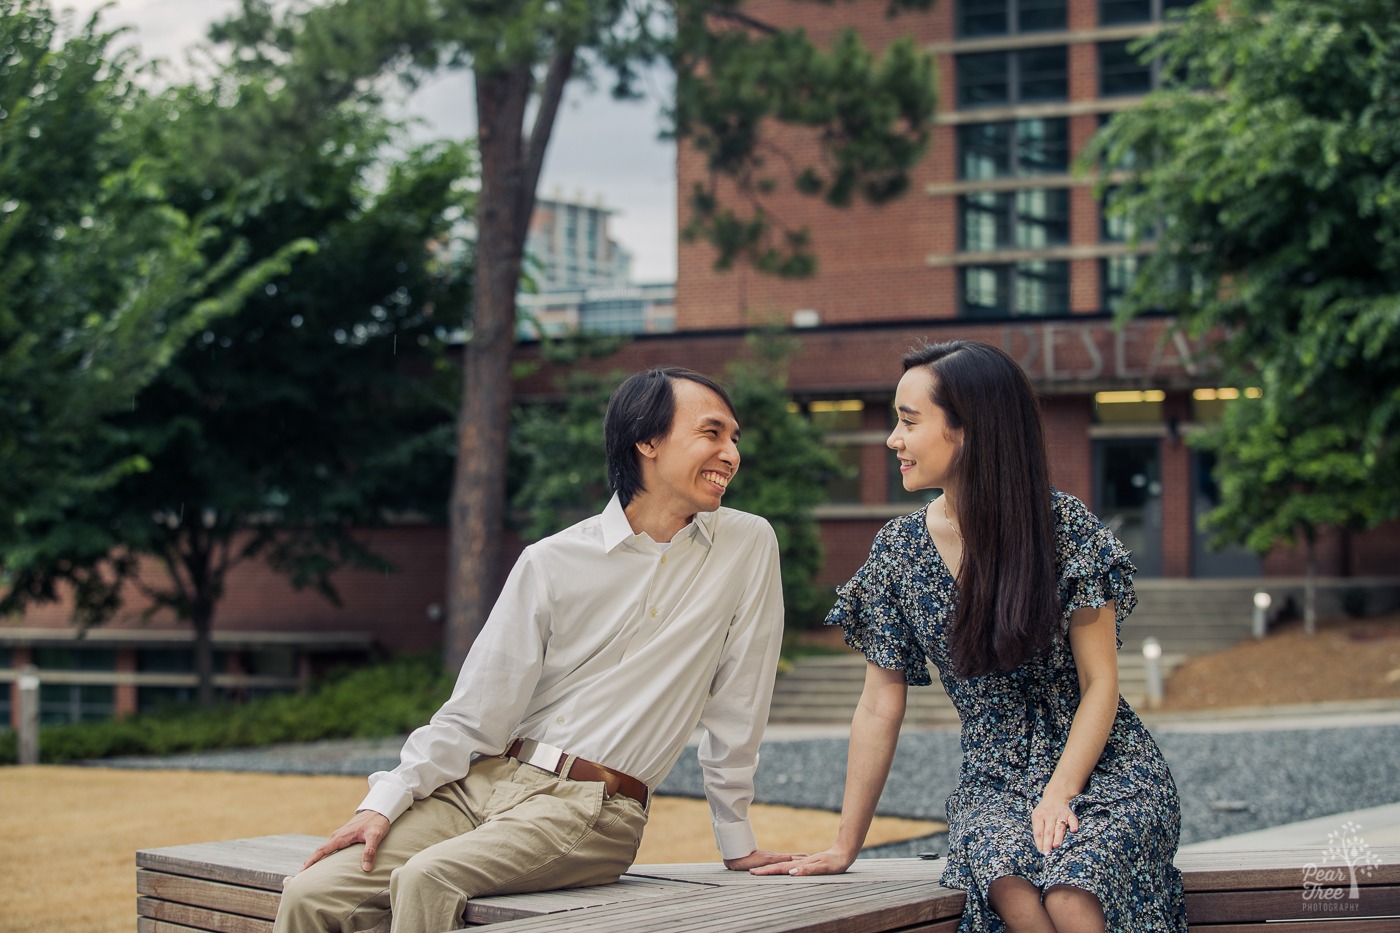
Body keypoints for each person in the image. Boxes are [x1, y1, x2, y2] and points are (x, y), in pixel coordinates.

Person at [276, 366, 799, 933]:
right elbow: (477, 711)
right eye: (712, 433)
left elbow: (739, 703)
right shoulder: (550, 561)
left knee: (427, 878)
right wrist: (385, 799)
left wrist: (736, 839)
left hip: (595, 807)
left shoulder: (747, 545)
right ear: (646, 441)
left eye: (734, 439)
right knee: (311, 894)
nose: (730, 454)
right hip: (486, 784)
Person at [755, 340, 1188, 932]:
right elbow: (879, 705)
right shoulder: (899, 553)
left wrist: (1060, 792)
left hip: (1106, 768)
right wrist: (844, 845)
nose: (892, 440)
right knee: (1010, 886)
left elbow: (1100, 684)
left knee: (1071, 893)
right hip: (993, 780)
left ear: (969, 431)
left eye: (909, 422)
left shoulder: (1065, 528)